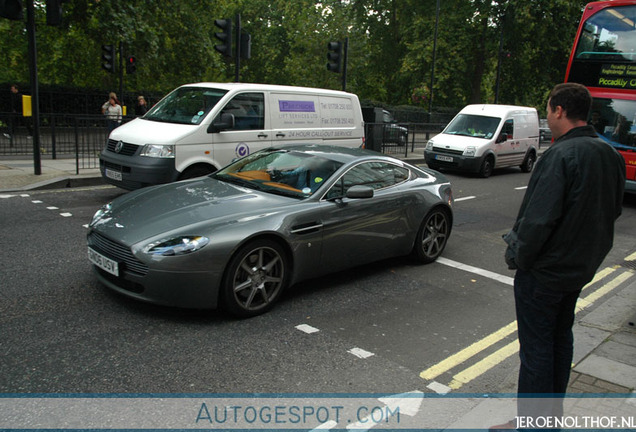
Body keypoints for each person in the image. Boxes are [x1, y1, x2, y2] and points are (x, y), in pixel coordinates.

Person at [494, 83, 625, 430]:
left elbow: (538, 220)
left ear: (560, 111)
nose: (547, 116)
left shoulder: (559, 156)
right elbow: (612, 211)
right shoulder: (609, 154)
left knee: (536, 351)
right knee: (559, 341)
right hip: (578, 271)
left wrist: (517, 256)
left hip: (544, 274)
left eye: (548, 109)